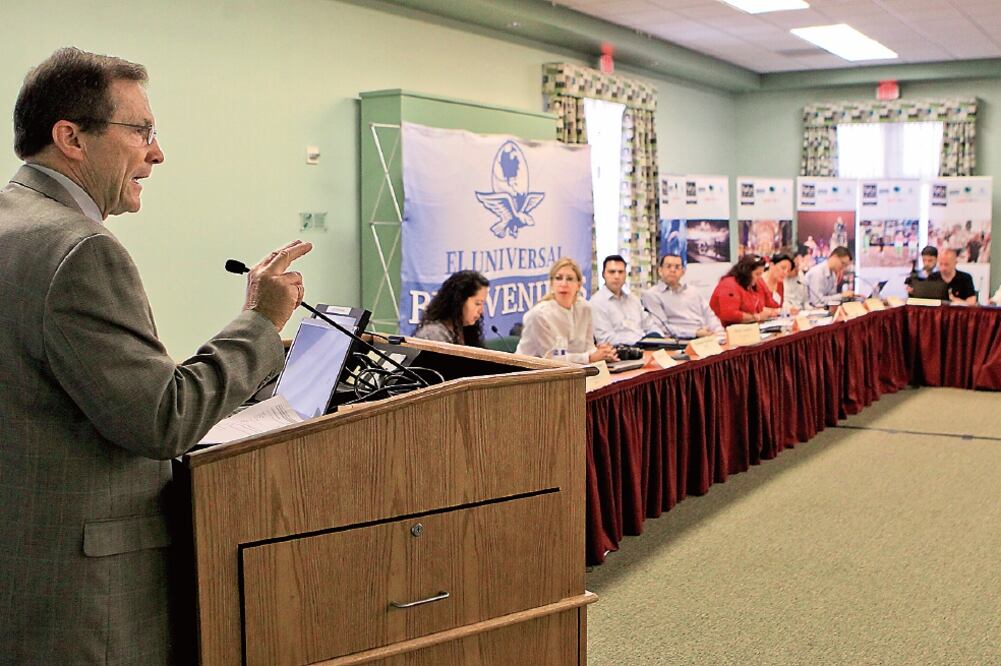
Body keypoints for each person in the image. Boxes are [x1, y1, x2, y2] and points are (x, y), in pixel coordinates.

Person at [0, 48, 312, 664]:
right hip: (85, 601)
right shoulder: (80, 249)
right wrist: (261, 322)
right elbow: (160, 419)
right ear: (71, 137)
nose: (156, 152)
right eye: (141, 131)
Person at [516, 257, 618, 364]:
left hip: (573, 371)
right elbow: (549, 359)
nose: (564, 284)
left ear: (578, 285)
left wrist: (603, 354)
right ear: (551, 283)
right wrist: (589, 358)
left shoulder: (585, 308)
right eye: (559, 278)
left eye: (569, 279)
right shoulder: (539, 315)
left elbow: (589, 347)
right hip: (529, 374)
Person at [641, 253, 723, 339]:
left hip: (706, 337)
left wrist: (719, 334)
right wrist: (695, 333)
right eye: (668, 266)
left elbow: (710, 316)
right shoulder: (652, 295)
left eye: (677, 267)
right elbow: (663, 328)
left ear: (683, 272)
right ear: (660, 270)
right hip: (680, 341)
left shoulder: (694, 291)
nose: (673, 270)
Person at [589, 254, 659, 345]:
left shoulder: (634, 300)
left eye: (621, 272)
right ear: (603, 274)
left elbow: (650, 325)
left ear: (626, 275)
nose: (617, 276)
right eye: (612, 272)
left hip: (644, 348)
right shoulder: (596, 302)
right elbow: (605, 339)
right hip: (620, 353)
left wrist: (657, 336)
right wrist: (640, 343)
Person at [413, 270, 489, 346]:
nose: (481, 311)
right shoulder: (432, 335)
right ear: (459, 301)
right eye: (477, 303)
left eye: (483, 304)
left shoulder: (465, 333)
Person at [709, 254, 780, 326]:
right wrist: (757, 317)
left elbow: (771, 303)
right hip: (729, 330)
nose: (759, 278)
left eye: (761, 274)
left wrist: (777, 311)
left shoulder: (758, 282)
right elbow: (730, 314)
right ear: (746, 272)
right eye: (757, 274)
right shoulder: (729, 285)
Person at [783, 246, 811, 311]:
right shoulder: (780, 280)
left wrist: (811, 310)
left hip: (802, 313)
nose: (797, 270)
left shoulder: (800, 275)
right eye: (794, 267)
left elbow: (805, 301)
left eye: (798, 266)